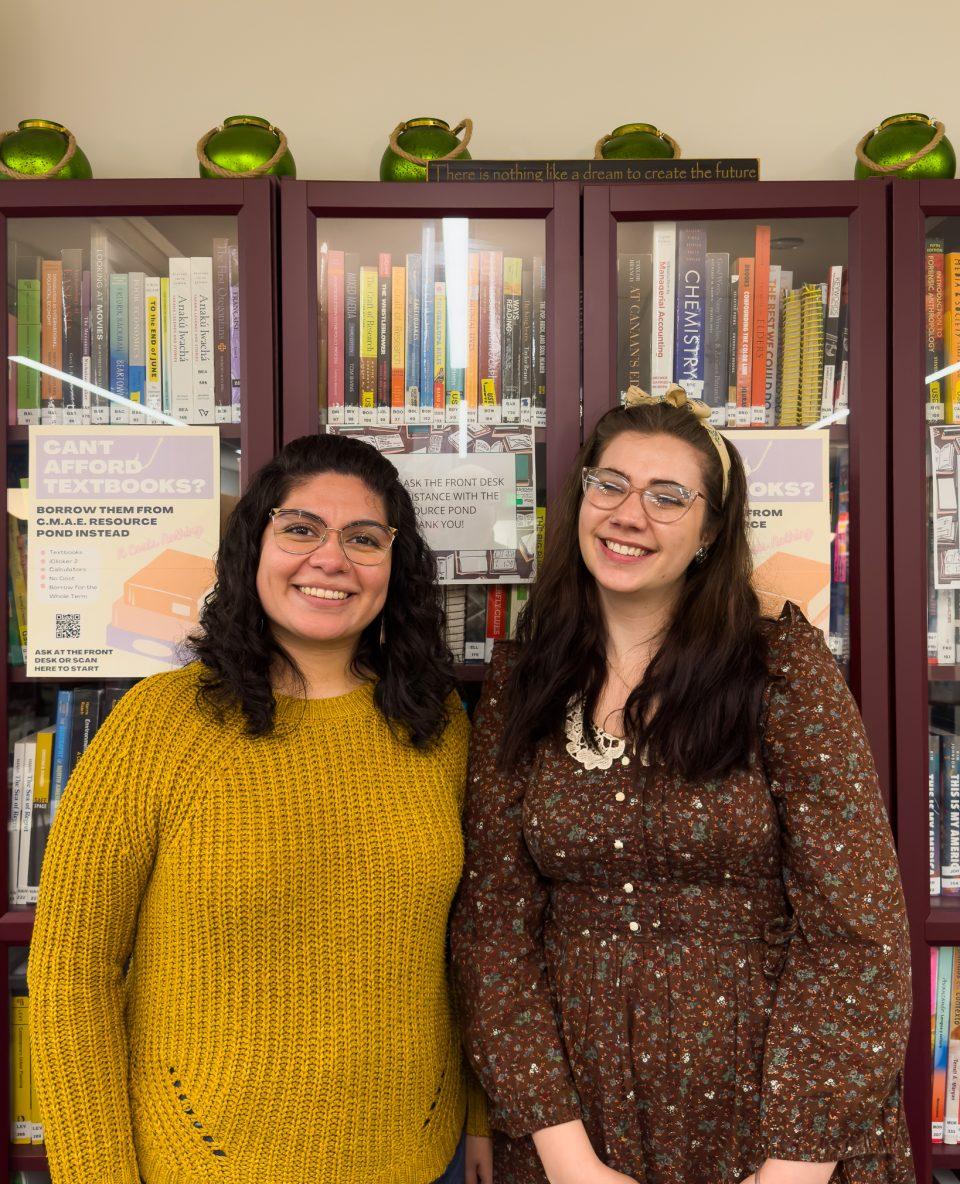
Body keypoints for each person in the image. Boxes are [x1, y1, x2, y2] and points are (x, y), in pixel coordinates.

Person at [451, 387, 913, 1184]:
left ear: (709, 534)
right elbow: (493, 931)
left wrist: (793, 1168)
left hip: (775, 1107)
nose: (630, 514)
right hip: (575, 1115)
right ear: (581, 499)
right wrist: (568, 1160)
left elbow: (858, 930)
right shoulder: (522, 681)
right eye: (611, 484)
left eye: (669, 497)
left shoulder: (780, 669)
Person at [29, 433, 493, 1184]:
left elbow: (466, 941)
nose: (330, 558)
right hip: (203, 1165)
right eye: (300, 528)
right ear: (254, 548)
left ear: (394, 569)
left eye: (364, 538)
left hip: (419, 1157)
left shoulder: (435, 721)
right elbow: (70, 972)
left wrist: (475, 1115)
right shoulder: (159, 725)